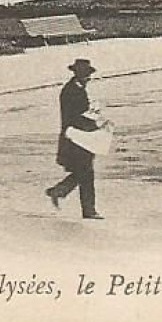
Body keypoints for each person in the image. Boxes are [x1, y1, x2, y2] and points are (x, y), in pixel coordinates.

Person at [46, 58, 104, 220]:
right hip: (77, 138)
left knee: (83, 171)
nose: (89, 78)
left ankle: (59, 191)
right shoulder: (72, 91)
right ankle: (88, 210)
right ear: (79, 75)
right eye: (86, 75)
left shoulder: (74, 89)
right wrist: (93, 121)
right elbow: (76, 117)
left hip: (77, 137)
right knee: (86, 172)